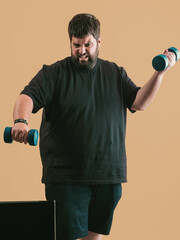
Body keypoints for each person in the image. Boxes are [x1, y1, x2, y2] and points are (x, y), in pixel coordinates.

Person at [11, 13, 176, 240]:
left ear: (98, 42)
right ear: (70, 42)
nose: (81, 51)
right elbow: (27, 97)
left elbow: (139, 102)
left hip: (107, 175)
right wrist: (21, 121)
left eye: (87, 44)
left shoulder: (115, 73)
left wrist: (160, 73)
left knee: (93, 238)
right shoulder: (54, 74)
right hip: (65, 176)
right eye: (76, 45)